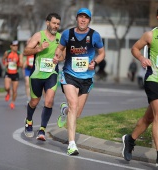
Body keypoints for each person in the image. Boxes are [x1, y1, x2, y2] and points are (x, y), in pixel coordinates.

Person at [53, 8, 105, 155]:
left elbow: (102, 53)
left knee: (76, 113)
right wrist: (57, 56)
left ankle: (65, 111)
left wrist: (95, 61)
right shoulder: (67, 34)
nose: (83, 20)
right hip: (69, 75)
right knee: (74, 105)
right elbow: (59, 49)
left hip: (86, 78)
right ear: (77, 18)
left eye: (86, 18)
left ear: (89, 20)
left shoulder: (94, 36)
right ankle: (71, 144)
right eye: (81, 17)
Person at [122, 7, 158, 167]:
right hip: (154, 79)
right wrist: (142, 58)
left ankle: (130, 140)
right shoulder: (151, 35)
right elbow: (134, 48)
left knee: (149, 118)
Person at [23, 13, 64, 141]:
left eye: (58, 24)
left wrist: (58, 58)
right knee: (35, 101)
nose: (56, 26)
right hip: (37, 74)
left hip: (52, 73)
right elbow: (25, 51)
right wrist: (39, 48)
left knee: (49, 100)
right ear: (47, 23)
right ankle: (29, 121)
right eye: (53, 23)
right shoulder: (38, 36)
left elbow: (64, 56)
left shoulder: (60, 38)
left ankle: (42, 130)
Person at [2, 40, 23, 109]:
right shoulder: (7, 53)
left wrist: (17, 62)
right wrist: (6, 63)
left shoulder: (19, 54)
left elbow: (21, 65)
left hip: (15, 73)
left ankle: (12, 102)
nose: (15, 47)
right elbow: (3, 60)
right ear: (11, 46)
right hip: (8, 72)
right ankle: (8, 93)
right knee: (7, 87)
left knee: (14, 90)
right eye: (14, 46)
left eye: (16, 46)